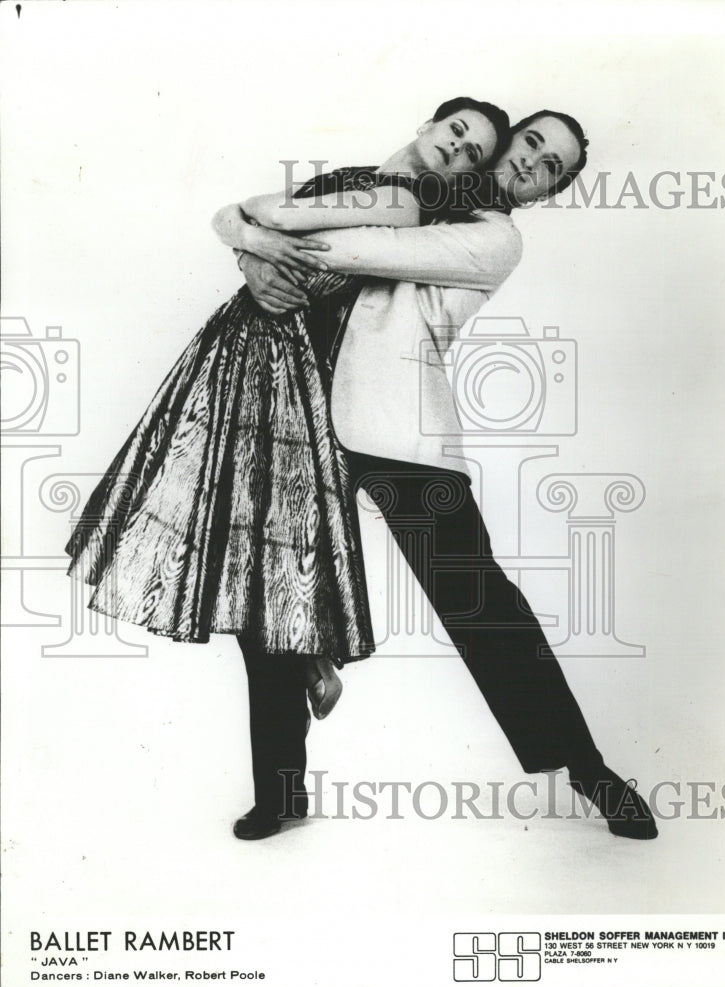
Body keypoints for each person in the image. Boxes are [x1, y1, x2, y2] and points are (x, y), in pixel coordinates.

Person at [65, 98, 511, 833]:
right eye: (456, 132)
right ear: (429, 124)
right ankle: (285, 778)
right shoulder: (353, 177)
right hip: (235, 358)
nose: (457, 151)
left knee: (276, 575)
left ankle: (289, 755)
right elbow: (246, 219)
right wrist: (245, 247)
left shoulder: (406, 204)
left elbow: (268, 220)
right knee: (239, 567)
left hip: (304, 385)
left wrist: (251, 237)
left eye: (473, 153)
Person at [227, 111, 659, 841]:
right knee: (270, 598)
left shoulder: (493, 236)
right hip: (289, 406)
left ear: (550, 191)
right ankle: (280, 792)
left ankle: (590, 771)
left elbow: (339, 242)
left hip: (396, 425)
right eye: (531, 144)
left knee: (482, 604)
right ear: (504, 139)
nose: (533, 165)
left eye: (552, 167)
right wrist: (251, 256)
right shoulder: (392, 180)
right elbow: (270, 222)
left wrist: (257, 238)